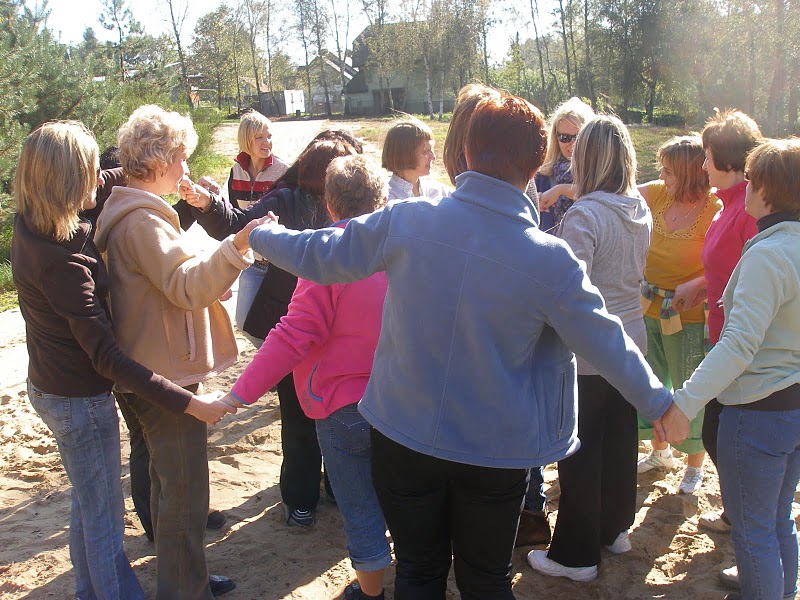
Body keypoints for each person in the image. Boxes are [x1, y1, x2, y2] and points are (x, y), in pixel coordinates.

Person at [245, 93, 674, 599]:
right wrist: (661, 403)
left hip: (402, 432)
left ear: (467, 153)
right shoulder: (549, 258)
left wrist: (262, 236)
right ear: (537, 164)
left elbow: (323, 253)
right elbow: (607, 339)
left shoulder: (409, 219)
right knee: (485, 578)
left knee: (420, 573)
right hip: (495, 449)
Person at [11, 121, 235, 600]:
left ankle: (103, 589)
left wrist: (163, 176)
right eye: (92, 172)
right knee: (106, 517)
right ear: (67, 182)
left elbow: (119, 176)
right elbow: (109, 355)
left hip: (68, 384)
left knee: (92, 504)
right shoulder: (64, 261)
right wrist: (188, 404)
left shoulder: (38, 219)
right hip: (81, 395)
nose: (103, 177)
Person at [94, 105, 261, 600]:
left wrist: (214, 266)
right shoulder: (142, 222)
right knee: (185, 493)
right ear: (161, 159)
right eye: (181, 158)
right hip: (162, 373)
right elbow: (185, 287)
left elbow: (170, 285)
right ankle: (186, 589)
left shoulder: (132, 212)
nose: (186, 168)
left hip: (150, 367)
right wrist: (237, 247)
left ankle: (184, 577)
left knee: (169, 486)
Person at [222, 154, 391, 600]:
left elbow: (294, 333)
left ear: (331, 206)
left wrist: (239, 394)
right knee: (401, 499)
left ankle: (371, 591)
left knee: (359, 506)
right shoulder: (402, 249)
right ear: (383, 198)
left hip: (341, 406)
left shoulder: (326, 257)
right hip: (401, 400)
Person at [184, 138, 358, 529]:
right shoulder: (286, 200)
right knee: (299, 418)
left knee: (336, 414)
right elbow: (238, 228)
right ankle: (300, 501)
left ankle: (333, 487)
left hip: (338, 332)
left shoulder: (357, 208)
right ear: (321, 173)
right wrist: (207, 204)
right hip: (292, 325)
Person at [667, 138, 800, 600]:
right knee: (778, 518)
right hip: (792, 405)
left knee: (753, 531)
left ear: (766, 190)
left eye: (753, 180)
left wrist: (684, 401)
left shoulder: (768, 253)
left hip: (759, 410)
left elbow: (739, 343)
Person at [526, 114, 653, 582]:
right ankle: (614, 529)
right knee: (618, 440)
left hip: (589, 347)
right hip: (630, 341)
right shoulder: (636, 205)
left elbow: (568, 287)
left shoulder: (586, 213)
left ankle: (577, 554)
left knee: (579, 453)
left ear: (588, 158)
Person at [443, 83, 547, 547]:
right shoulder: (516, 201)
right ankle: (528, 505)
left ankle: (527, 506)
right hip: (507, 380)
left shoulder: (446, 210)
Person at [636, 136, 722, 495]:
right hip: (648, 306)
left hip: (687, 313)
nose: (662, 175)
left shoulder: (714, 205)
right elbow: (615, 191)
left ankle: (694, 464)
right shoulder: (657, 193)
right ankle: (660, 452)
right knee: (652, 381)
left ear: (688, 173)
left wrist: (700, 282)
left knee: (688, 386)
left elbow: (727, 260)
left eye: (669, 171)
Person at [533, 97, 595, 232]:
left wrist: (560, 190)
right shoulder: (543, 175)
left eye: (578, 137)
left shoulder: (600, 173)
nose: (572, 145)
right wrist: (534, 201)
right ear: (556, 138)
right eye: (564, 138)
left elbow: (598, 196)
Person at [382, 118, 450, 201]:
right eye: (426, 151)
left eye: (431, 150)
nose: (433, 157)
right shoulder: (387, 199)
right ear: (405, 154)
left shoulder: (437, 192)